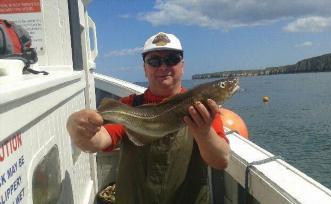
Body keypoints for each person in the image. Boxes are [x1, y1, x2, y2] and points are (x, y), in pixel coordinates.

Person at [67, 32, 237, 203]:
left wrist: (204, 133)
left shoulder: (207, 112)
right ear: (145, 69)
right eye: (154, 61)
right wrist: (76, 129)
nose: (163, 67)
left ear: (182, 66)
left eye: (172, 59)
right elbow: (99, 139)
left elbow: (221, 161)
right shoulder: (129, 106)